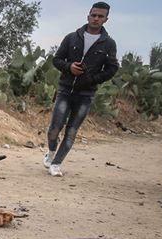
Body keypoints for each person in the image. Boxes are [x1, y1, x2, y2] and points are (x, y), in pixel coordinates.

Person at [44, 1, 119, 177]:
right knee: (54, 128)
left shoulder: (109, 44)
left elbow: (112, 68)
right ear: (88, 16)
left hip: (86, 94)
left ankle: (56, 164)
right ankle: (51, 151)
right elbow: (56, 59)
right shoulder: (72, 37)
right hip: (65, 90)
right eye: (94, 15)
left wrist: (93, 79)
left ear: (106, 19)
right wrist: (69, 67)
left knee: (71, 131)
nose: (96, 18)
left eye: (100, 16)